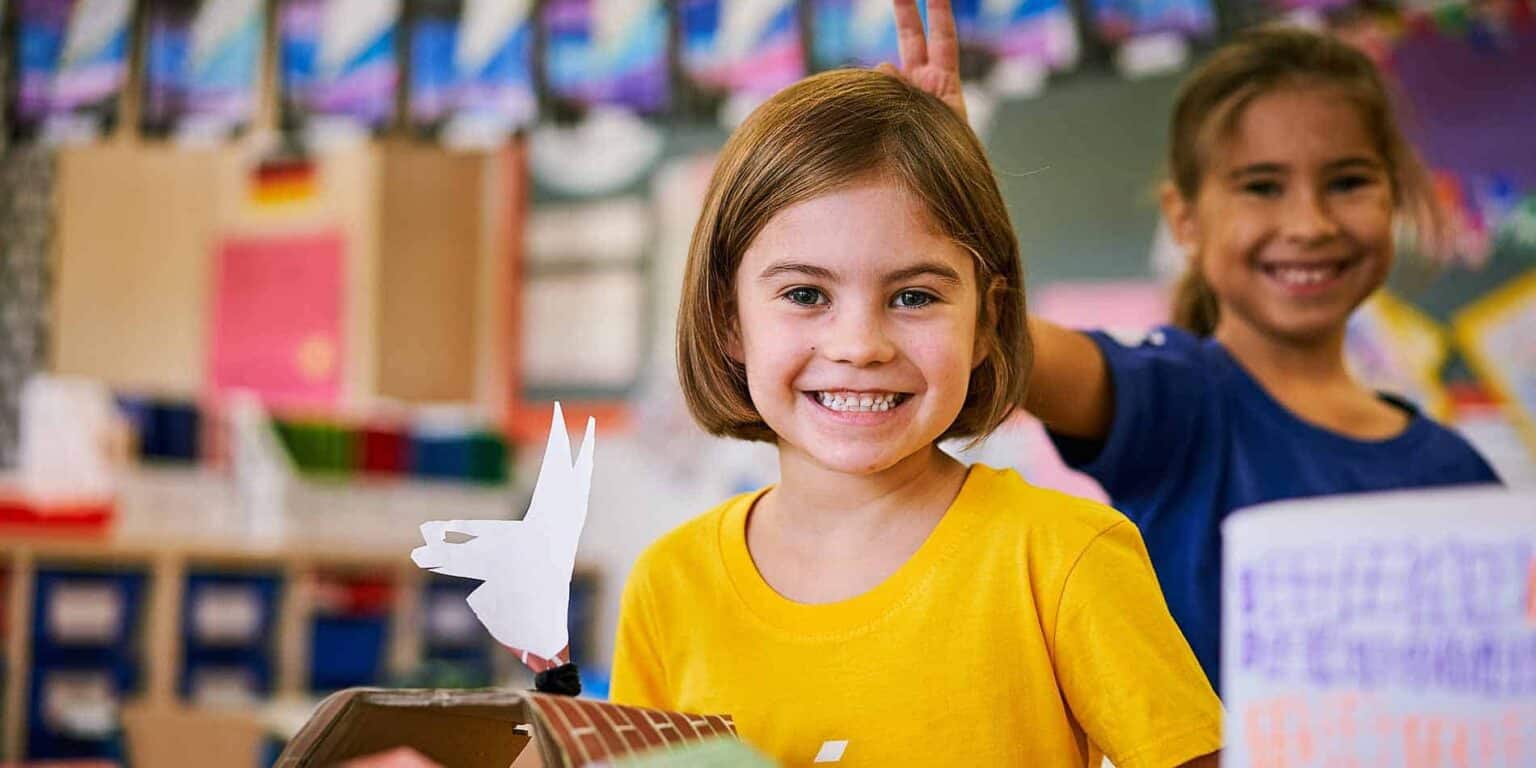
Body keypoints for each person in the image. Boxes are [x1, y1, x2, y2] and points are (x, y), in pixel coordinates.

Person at [609, 4, 1222, 765]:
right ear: (727, 318)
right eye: (805, 295)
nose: (860, 345)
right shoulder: (671, 584)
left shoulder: (1063, 557)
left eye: (914, 296)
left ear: (987, 322)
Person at [1018, 27, 1502, 692]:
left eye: (1348, 181)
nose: (1310, 224)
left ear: (1393, 197)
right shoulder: (1178, 406)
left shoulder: (1459, 474)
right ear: (1184, 218)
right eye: (1262, 186)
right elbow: (1000, 341)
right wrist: (938, 204)